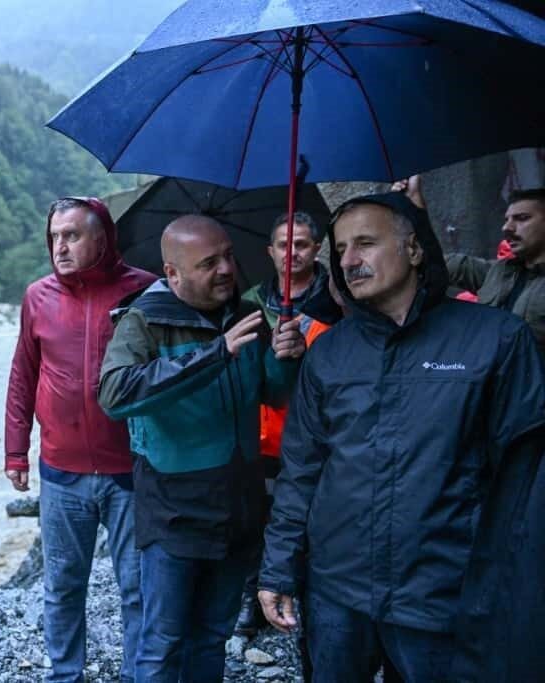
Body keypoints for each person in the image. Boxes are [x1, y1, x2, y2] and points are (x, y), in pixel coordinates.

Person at [257, 192, 545, 682]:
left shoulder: (496, 339)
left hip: (442, 592)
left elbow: (524, 485)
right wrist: (279, 567)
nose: (349, 260)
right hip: (337, 591)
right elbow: (301, 469)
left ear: (413, 249)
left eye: (365, 243)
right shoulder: (328, 353)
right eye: (340, 249)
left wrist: (510, 589)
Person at [97, 215, 305, 682]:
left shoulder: (248, 314)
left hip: (238, 509)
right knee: (162, 643)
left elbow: (272, 393)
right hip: (174, 514)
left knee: (212, 636)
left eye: (228, 256)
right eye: (209, 263)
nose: (227, 269)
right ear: (173, 273)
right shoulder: (144, 321)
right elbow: (114, 395)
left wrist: (285, 357)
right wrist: (215, 354)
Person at [4, 196, 156, 683]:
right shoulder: (38, 296)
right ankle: (65, 674)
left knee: (136, 587)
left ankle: (137, 675)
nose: (60, 247)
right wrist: (15, 451)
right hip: (61, 471)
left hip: (131, 469)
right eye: (54, 237)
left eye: (71, 236)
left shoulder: (144, 291)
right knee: (64, 586)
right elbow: (23, 375)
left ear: (102, 238)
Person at [237, 211, 341, 638]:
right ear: (270, 251)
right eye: (283, 244)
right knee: (258, 519)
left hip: (321, 434)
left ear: (317, 249)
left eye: (301, 244)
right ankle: (254, 598)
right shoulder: (251, 302)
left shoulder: (337, 300)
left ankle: (311, 601)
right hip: (265, 434)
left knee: (315, 520)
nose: (291, 253)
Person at [394, 175, 545, 358]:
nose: (507, 227)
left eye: (522, 218)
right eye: (507, 220)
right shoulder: (499, 271)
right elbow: (433, 263)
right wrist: (412, 206)